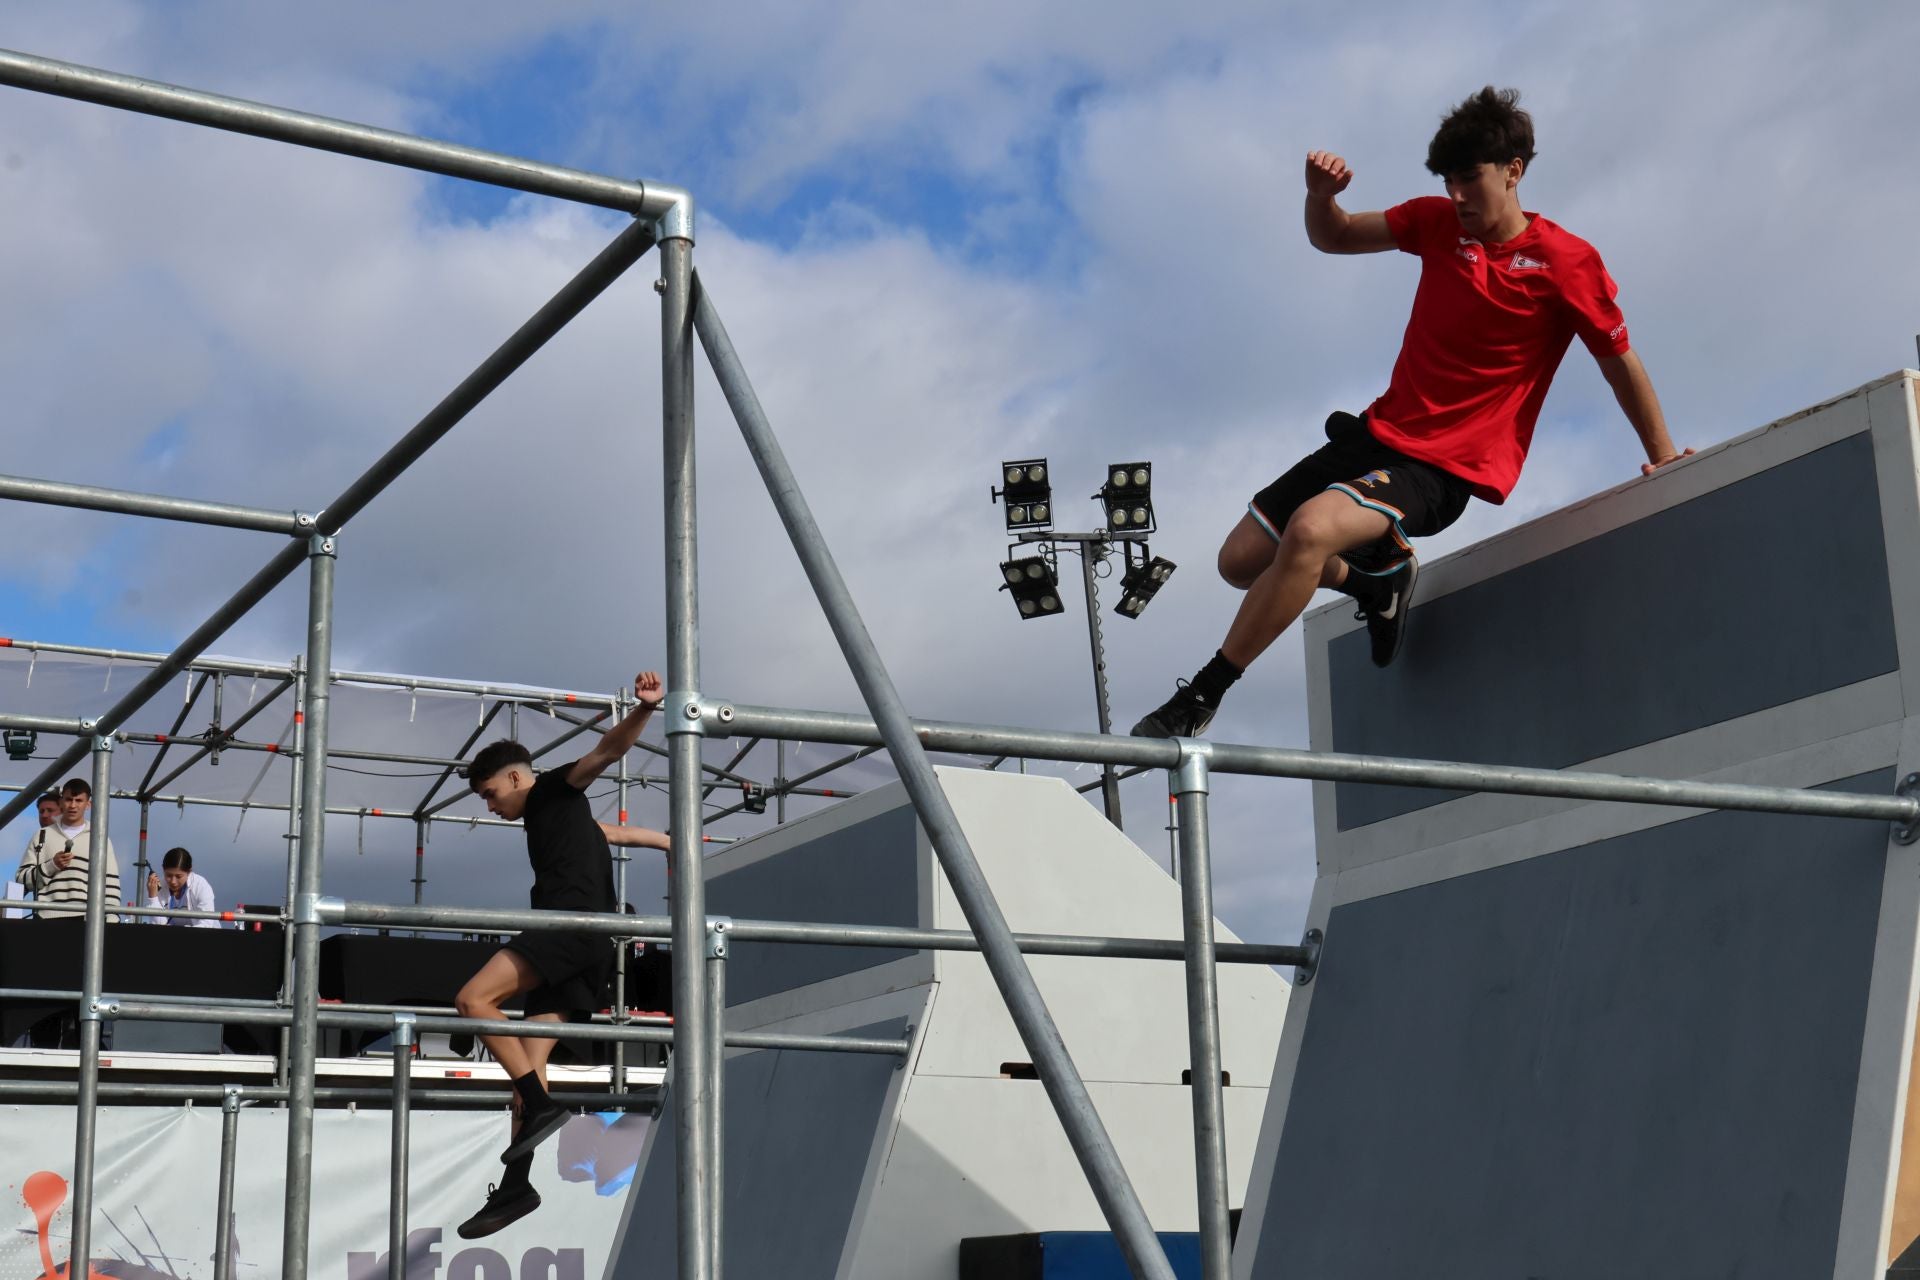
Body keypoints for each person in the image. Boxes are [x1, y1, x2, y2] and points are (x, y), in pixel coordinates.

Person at [1131, 87, 1692, 740]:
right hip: (1375, 436)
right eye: (1448, 180)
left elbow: (1618, 358)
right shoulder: (1437, 224)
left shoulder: (1565, 264)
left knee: (1309, 532)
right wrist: (1319, 196)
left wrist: (1663, 450)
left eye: (1470, 178)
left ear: (1514, 170)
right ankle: (1377, 581)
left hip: (1444, 466)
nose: (1457, 195)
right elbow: (1335, 237)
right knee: (1240, 561)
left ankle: (1201, 696)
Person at [452, 669, 672, 1239]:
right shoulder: (555, 815)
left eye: (491, 793)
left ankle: (540, 1108)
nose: (490, 806)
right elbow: (612, 834)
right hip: (586, 945)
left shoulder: (552, 788)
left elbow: (605, 751)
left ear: (518, 776)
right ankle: (518, 1185)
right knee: (528, 1062)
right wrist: (671, 843)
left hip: (568, 930)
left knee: (473, 999)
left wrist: (646, 709)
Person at [14, 778, 121, 920]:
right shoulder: (42, 835)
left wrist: (112, 919)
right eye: (69, 799)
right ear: (61, 802)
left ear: (88, 804)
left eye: (78, 800)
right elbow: (21, 881)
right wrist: (52, 865)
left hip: (87, 919)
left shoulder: (100, 838)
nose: (73, 805)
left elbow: (110, 883)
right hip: (46, 917)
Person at [144, 847, 220, 927]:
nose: (173, 881)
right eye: (169, 875)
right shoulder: (156, 887)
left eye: (178, 876)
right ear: (163, 869)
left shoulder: (201, 886)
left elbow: (206, 924)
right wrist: (153, 898)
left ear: (189, 872)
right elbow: (159, 925)